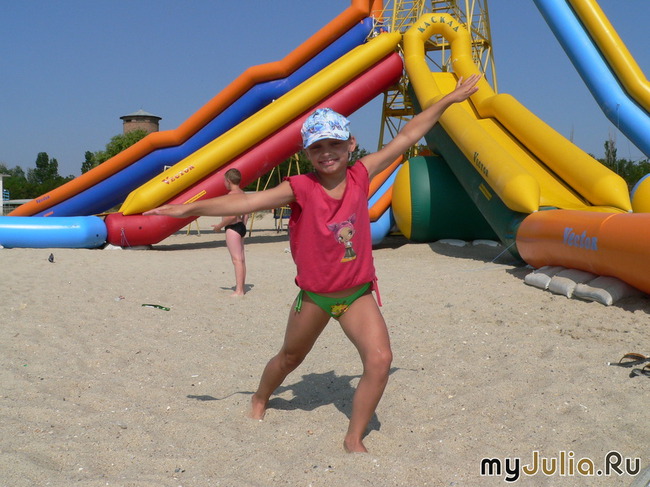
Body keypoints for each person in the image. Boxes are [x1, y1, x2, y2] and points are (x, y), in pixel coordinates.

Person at [144, 74, 481, 453]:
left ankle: (353, 437)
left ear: (350, 144)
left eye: (334, 143)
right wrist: (187, 209)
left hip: (357, 294)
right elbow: (246, 201)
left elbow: (408, 135)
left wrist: (448, 99)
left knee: (381, 360)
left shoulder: (361, 174)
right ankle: (260, 397)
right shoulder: (300, 187)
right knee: (289, 358)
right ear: (307, 153)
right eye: (317, 147)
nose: (326, 153)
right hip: (315, 297)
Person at [210, 168, 248, 296]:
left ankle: (239, 290)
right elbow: (247, 212)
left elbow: (231, 216)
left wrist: (219, 226)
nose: (224, 183)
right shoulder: (242, 193)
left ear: (228, 181)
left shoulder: (231, 196)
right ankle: (242, 287)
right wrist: (243, 224)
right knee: (241, 259)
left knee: (236, 260)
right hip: (241, 226)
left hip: (233, 228)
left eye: (224, 181)